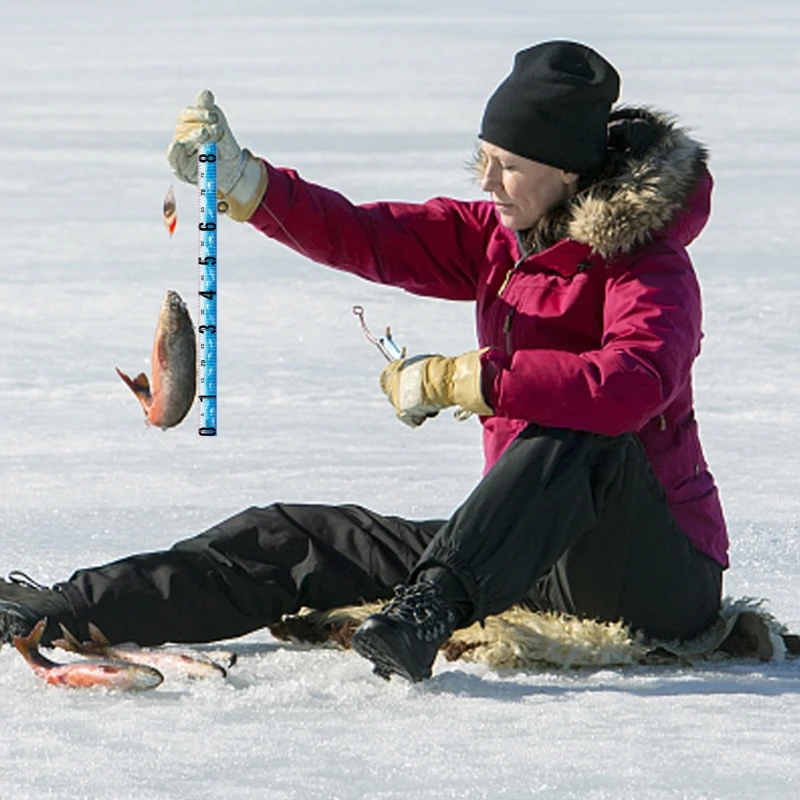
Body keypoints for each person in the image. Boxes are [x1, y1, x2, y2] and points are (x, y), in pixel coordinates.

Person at [0, 40, 727, 683]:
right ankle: (66, 606)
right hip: (525, 553)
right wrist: (249, 186)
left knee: (585, 428)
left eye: (509, 167)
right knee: (299, 537)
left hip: (654, 575)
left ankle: (428, 609)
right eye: (484, 160)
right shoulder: (497, 239)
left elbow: (634, 384)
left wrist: (470, 379)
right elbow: (368, 234)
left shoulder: (650, 268)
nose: (488, 183)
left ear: (568, 173)